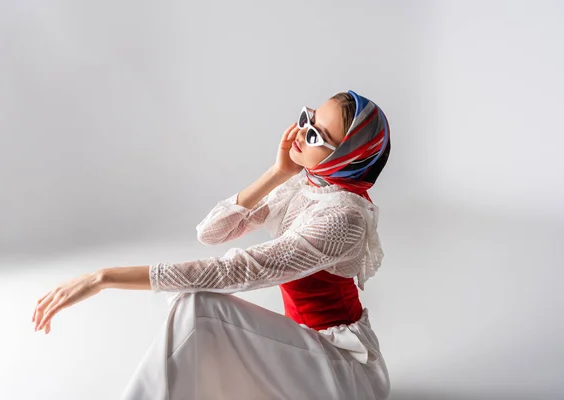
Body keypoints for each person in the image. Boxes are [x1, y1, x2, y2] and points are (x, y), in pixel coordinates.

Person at [32, 89, 392, 400]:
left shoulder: (342, 219)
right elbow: (212, 232)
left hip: (341, 373)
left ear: (345, 159)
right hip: (302, 350)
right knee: (195, 318)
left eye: (316, 136)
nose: (301, 132)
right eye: (306, 118)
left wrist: (104, 278)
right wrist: (277, 173)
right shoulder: (306, 186)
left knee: (198, 307)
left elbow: (233, 271)